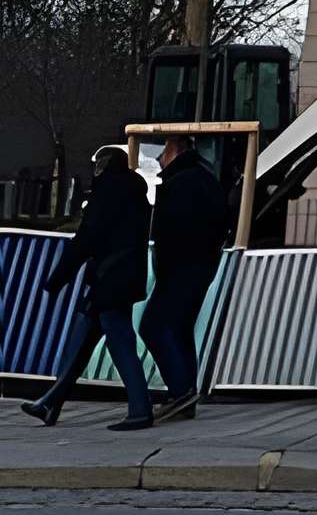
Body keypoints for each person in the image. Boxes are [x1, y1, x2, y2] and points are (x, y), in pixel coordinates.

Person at [21, 145, 154, 431]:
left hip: (109, 282)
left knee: (120, 345)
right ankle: (48, 404)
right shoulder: (136, 195)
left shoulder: (107, 193)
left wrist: (57, 279)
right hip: (121, 279)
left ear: (104, 165)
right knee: (80, 346)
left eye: (96, 163)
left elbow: (86, 240)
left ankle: (140, 411)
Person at [139, 131, 231, 419]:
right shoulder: (204, 178)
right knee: (179, 329)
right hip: (200, 266)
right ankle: (185, 394)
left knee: (153, 326)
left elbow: (167, 231)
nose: (158, 158)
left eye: (163, 150)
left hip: (179, 268)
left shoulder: (179, 184)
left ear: (175, 148)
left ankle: (181, 391)